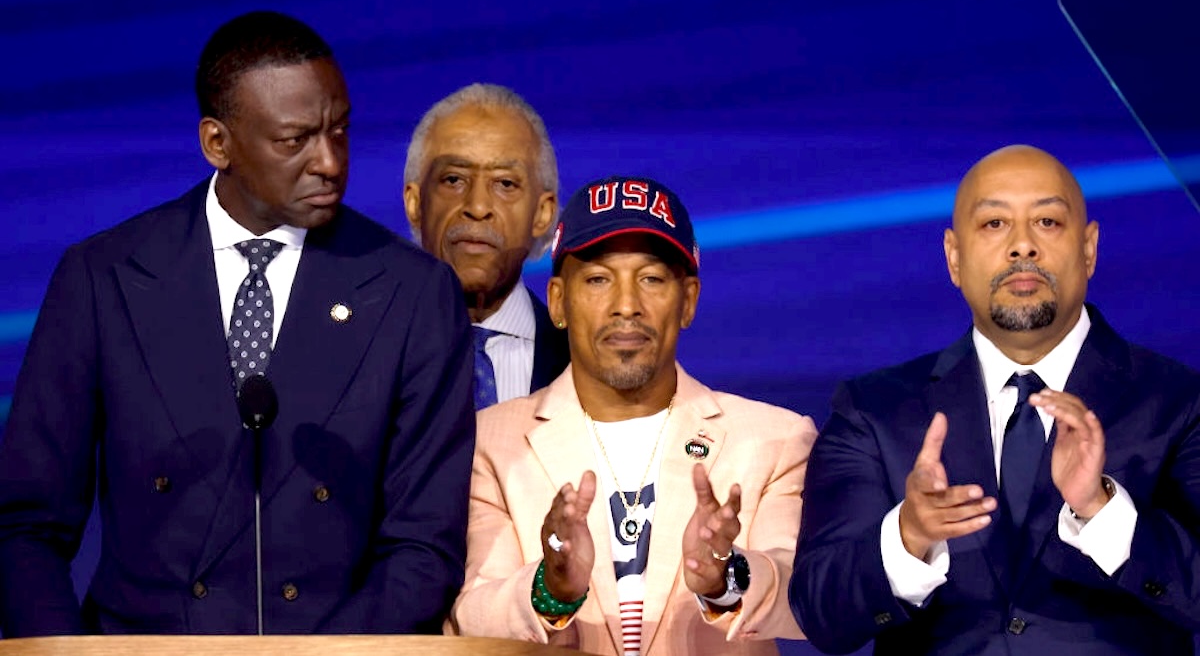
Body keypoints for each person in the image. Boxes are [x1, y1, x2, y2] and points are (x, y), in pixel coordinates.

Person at [0, 11, 475, 636]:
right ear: (217, 143)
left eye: (340, 130)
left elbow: (423, 546)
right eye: (294, 140)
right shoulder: (103, 277)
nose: (330, 161)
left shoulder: (413, 292)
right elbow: (25, 526)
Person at [790, 145, 1200, 655]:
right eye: (994, 225)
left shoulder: (1181, 401)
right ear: (954, 257)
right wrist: (908, 535)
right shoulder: (873, 411)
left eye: (1048, 222)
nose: (1022, 246)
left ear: (1089, 248)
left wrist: (1101, 509)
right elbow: (821, 615)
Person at [449, 175, 816, 655]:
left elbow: (804, 601)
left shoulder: (775, 440)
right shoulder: (492, 443)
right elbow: (470, 614)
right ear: (558, 301)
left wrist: (725, 574)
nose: (627, 306)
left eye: (652, 279)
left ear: (689, 301)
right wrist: (551, 588)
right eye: (599, 279)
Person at [403, 84, 569, 409]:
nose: (478, 206)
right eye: (454, 180)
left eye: (505, 184)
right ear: (415, 203)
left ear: (542, 213)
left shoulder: (582, 365)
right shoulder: (360, 345)